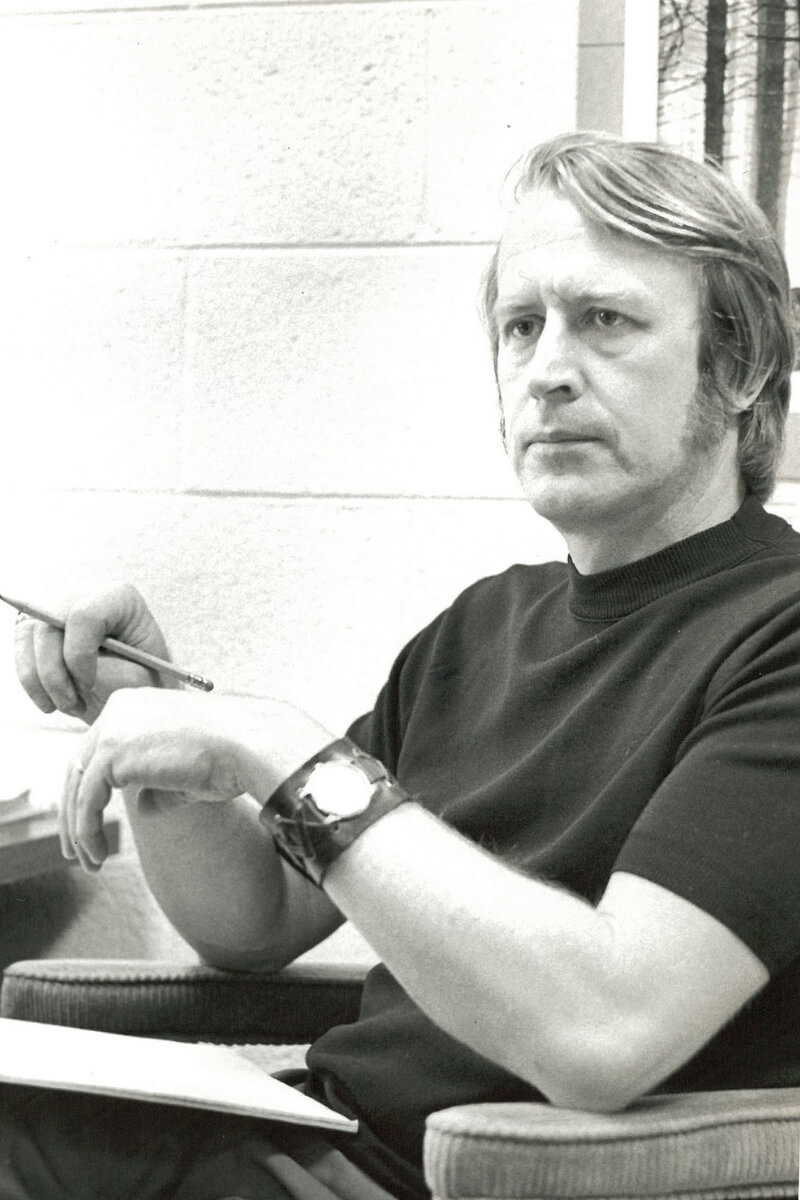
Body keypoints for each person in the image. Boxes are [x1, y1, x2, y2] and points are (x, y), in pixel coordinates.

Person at [2, 130, 799, 1199]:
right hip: (316, 1137)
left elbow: (604, 1031)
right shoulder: (480, 626)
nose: (547, 371)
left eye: (604, 321)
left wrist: (278, 745)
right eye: (521, 327)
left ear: (740, 367)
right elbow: (254, 923)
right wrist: (161, 733)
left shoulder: (778, 636)